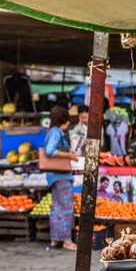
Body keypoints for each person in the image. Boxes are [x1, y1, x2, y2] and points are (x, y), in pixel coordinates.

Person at [44, 106, 78, 251]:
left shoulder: (51, 132)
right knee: (65, 208)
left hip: (54, 175)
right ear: (64, 121)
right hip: (61, 175)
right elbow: (50, 151)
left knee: (57, 208)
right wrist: (69, 155)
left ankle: (55, 239)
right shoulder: (57, 133)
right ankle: (66, 241)